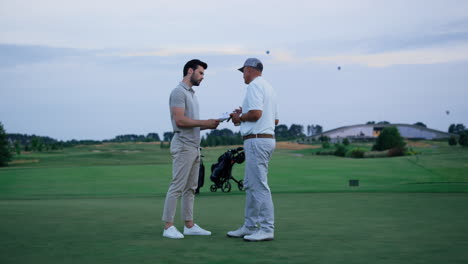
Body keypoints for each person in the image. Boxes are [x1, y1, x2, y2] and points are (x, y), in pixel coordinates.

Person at [162, 59, 220, 239]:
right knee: (177, 186)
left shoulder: (192, 94)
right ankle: (168, 227)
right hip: (183, 145)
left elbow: (192, 123)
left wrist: (210, 124)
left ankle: (189, 225)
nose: (203, 77)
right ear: (190, 71)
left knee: (191, 188)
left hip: (194, 146)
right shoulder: (178, 92)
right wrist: (205, 123)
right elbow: (180, 121)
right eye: (201, 73)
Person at [227, 58, 279, 242]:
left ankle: (266, 228)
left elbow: (256, 114)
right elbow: (275, 120)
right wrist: (245, 112)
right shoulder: (269, 88)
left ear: (250, 69)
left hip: (257, 141)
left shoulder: (254, 86)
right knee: (250, 184)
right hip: (264, 140)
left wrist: (239, 117)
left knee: (258, 185)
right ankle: (250, 226)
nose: (243, 75)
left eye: (244, 71)